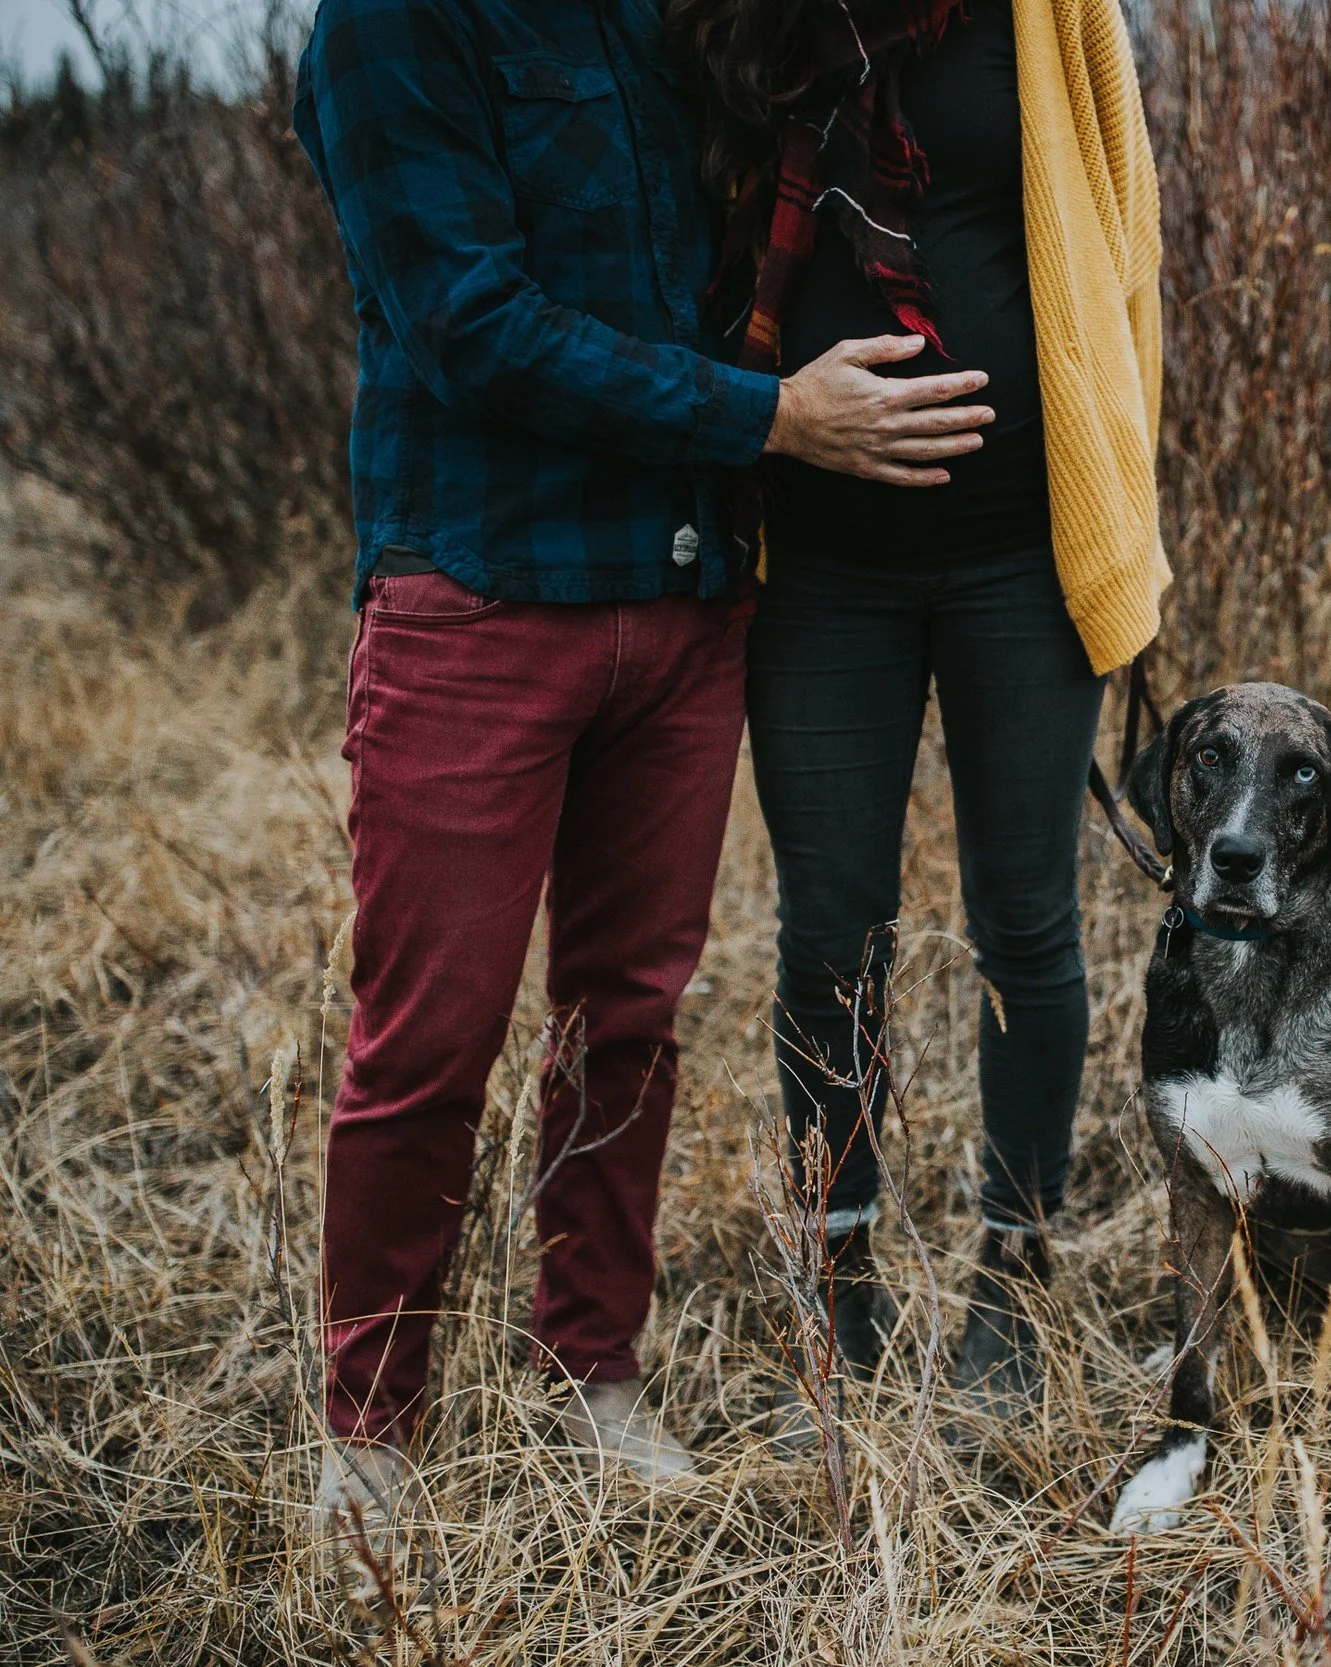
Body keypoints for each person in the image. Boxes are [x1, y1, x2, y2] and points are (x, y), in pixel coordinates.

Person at [290, 0, 1007, 1560]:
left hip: (683, 601)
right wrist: (769, 417)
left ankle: (591, 1368)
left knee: (626, 1022)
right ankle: (370, 1425)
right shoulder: (388, 25)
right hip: (477, 596)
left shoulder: (654, 12)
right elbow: (464, 320)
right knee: (432, 1038)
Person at [671, 0, 1164, 1411]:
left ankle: (1013, 1276)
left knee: (1028, 919)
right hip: (822, 566)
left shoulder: (1055, 14)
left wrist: (1126, 520)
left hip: (1025, 550)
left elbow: (1123, 254)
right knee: (831, 929)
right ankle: (843, 1278)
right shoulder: (738, 18)